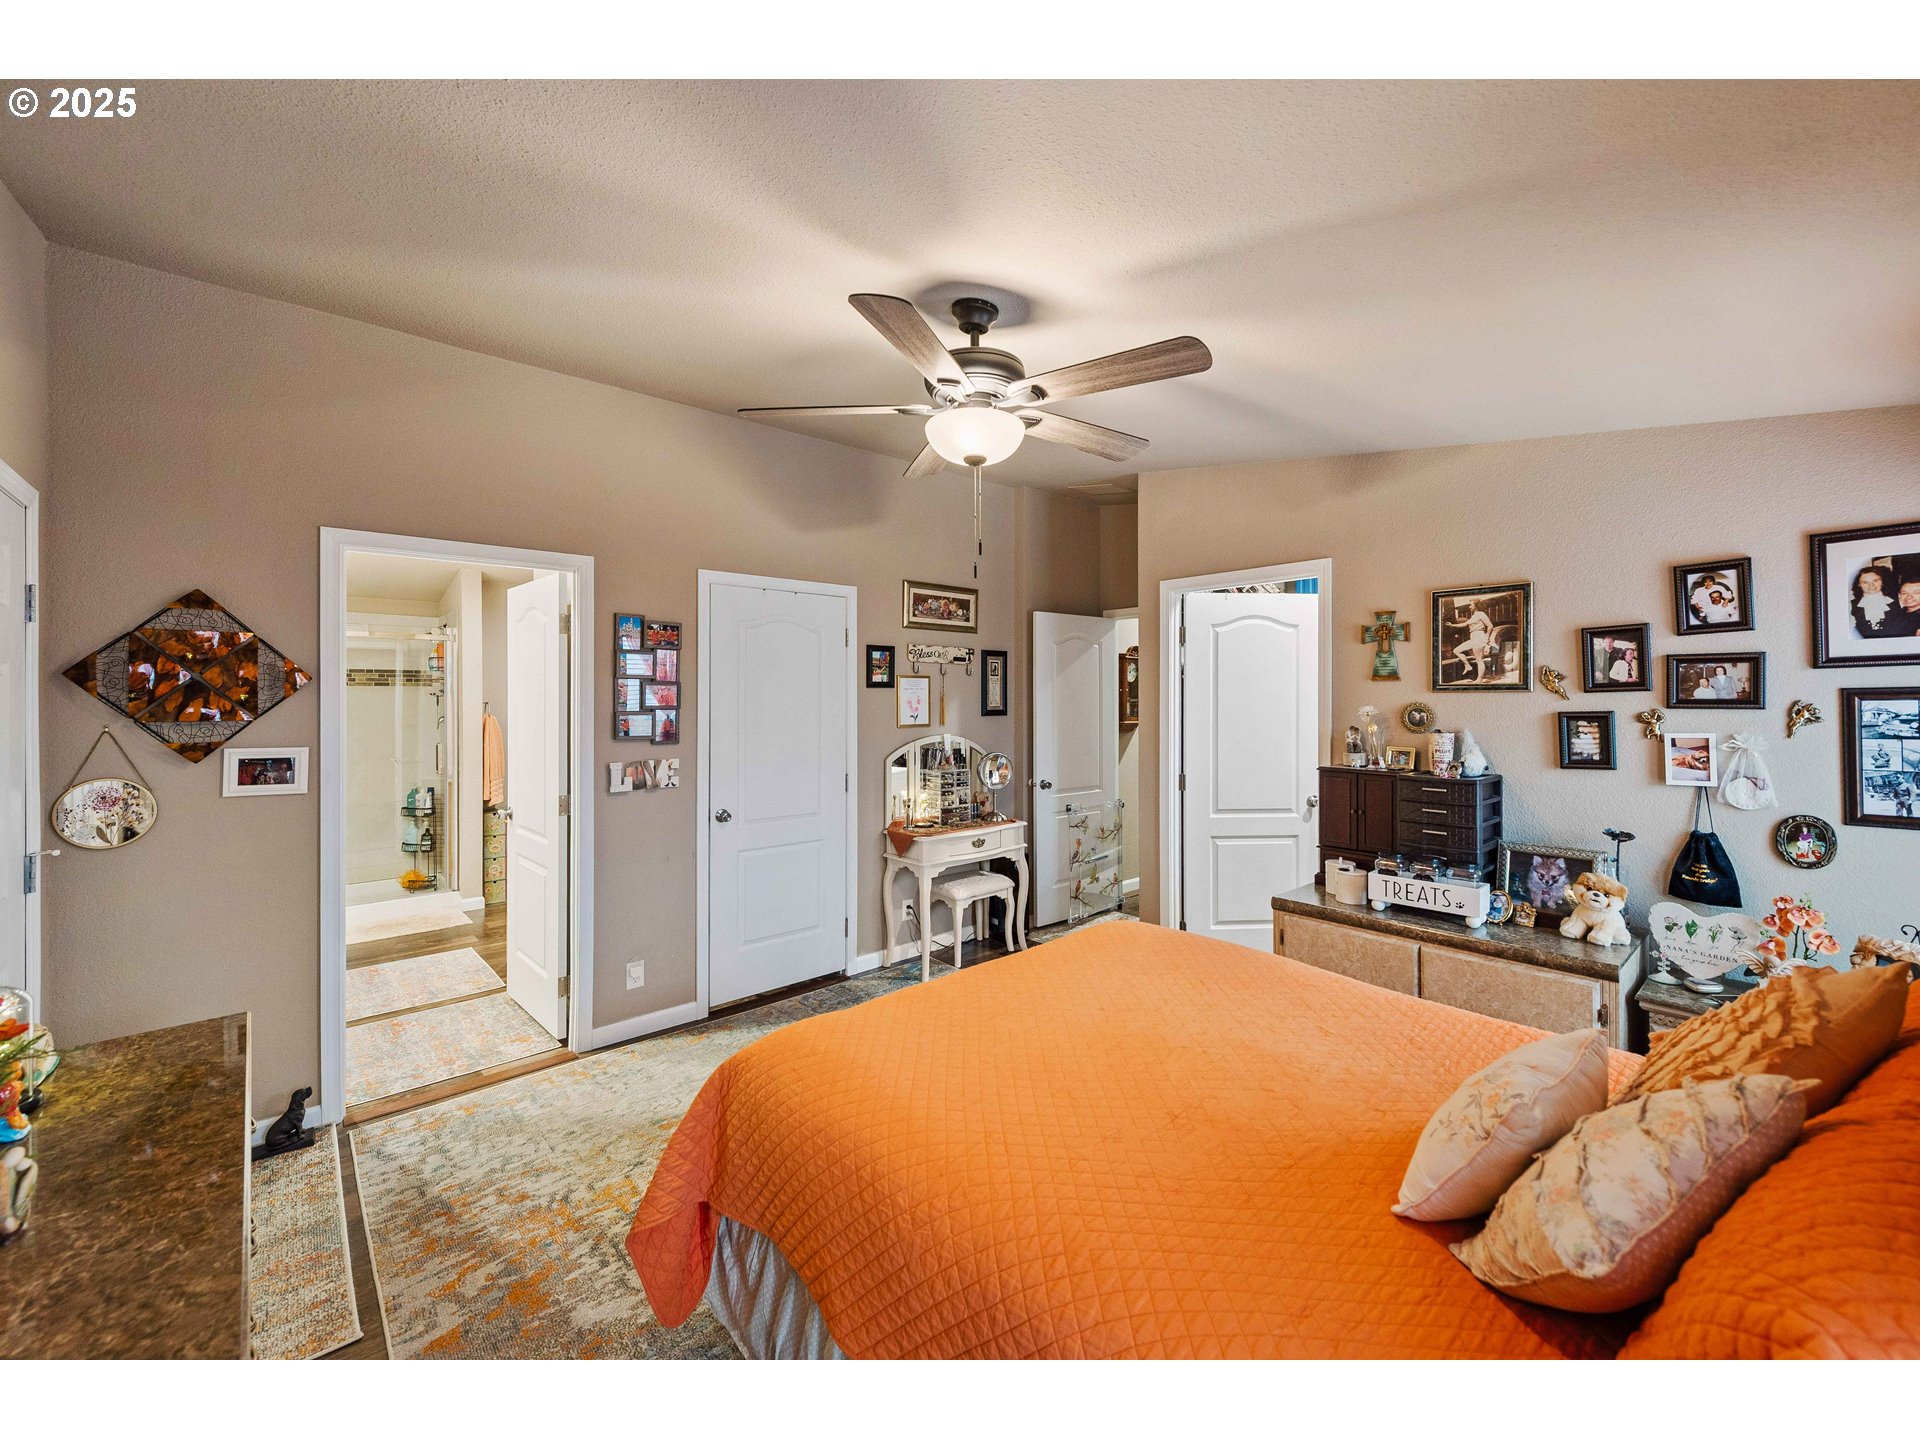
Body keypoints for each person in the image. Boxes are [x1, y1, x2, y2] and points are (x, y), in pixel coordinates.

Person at [1450, 602, 1495, 682]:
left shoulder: (1481, 614)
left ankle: (1479, 679)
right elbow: (1464, 624)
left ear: (1476, 606)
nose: (1469, 607)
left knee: (1479, 660)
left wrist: (1486, 638)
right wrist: (1452, 625)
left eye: (1471, 605)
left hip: (1479, 636)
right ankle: (1468, 666)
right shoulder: (1474, 616)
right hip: (1473, 637)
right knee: (1456, 650)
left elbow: (1490, 626)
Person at [1852, 565, 1897, 637]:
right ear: (1859, 584)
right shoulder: (1851, 605)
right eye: (1865, 582)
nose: (1871, 585)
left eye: (1875, 581)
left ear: (1882, 581)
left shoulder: (1897, 602)